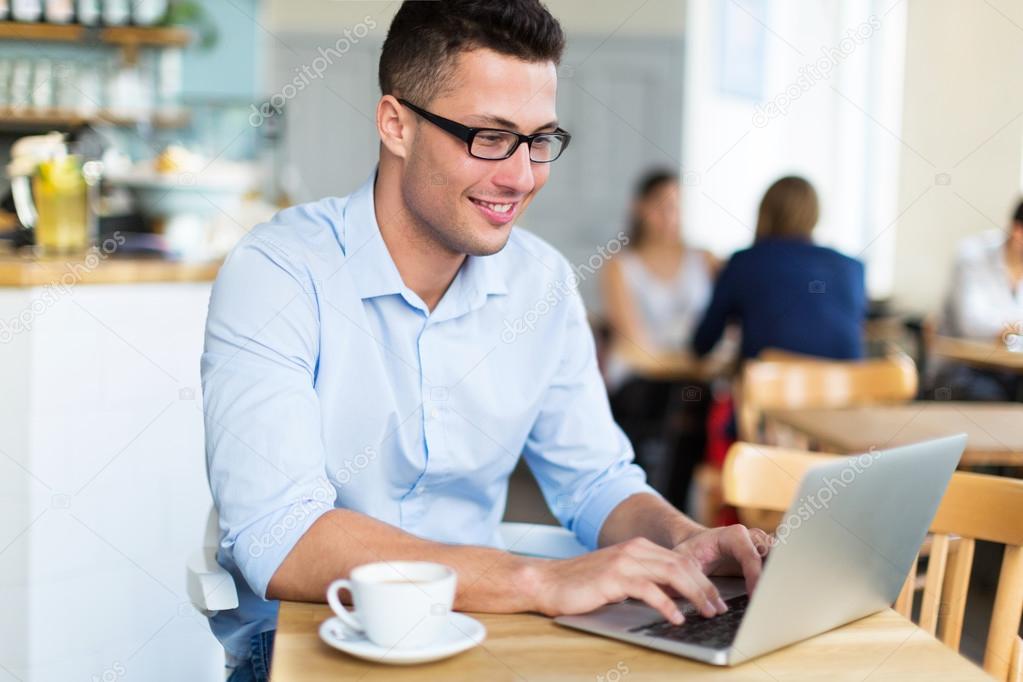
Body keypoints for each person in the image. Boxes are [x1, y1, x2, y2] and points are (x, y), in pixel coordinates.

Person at [203, 3, 771, 679]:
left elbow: (593, 481)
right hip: (306, 640)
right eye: (490, 138)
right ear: (396, 125)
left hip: (480, 632)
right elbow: (280, 535)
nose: (521, 175)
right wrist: (538, 581)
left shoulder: (543, 284)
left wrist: (684, 539)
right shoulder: (276, 272)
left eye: (538, 140)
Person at [601, 170, 716, 510]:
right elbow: (635, 346)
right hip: (640, 379)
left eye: (677, 207)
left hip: (689, 381)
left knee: (694, 402)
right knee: (675, 402)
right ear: (640, 208)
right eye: (662, 206)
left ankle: (669, 507)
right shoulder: (620, 266)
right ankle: (655, 507)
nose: (671, 217)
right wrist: (696, 363)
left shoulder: (705, 259)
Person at [692, 176, 867, 360]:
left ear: (764, 212)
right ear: (815, 215)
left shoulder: (744, 262)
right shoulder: (852, 268)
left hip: (769, 386)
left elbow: (703, 343)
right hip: (846, 387)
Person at [933, 199, 1023, 400]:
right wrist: (1007, 332)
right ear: (1018, 232)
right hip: (966, 368)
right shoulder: (973, 254)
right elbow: (971, 325)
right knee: (990, 397)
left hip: (1013, 372)